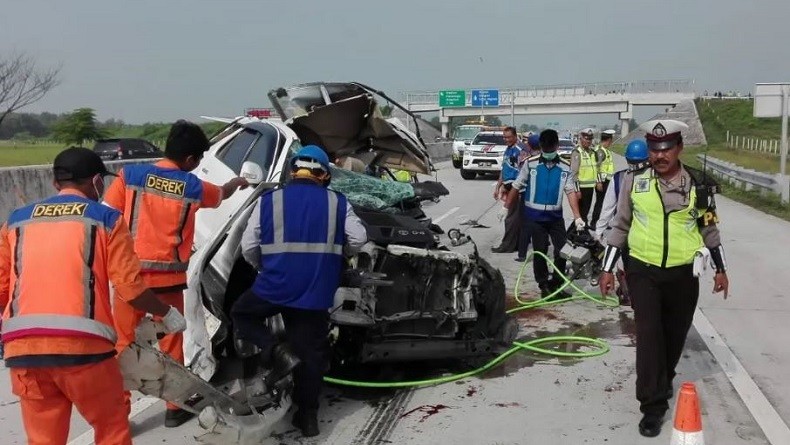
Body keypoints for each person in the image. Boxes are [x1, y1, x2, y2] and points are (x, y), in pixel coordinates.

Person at [0, 147, 185, 445]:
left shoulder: (16, 221)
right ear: (97, 181)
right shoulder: (107, 219)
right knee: (111, 431)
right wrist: (166, 312)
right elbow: (130, 290)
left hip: (24, 352)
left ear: (56, 182)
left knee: (44, 439)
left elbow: (2, 289)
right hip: (84, 349)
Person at [103, 120, 249, 427]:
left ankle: (117, 414)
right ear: (191, 160)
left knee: (124, 345)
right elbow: (219, 193)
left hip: (130, 280)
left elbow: (109, 216)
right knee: (170, 343)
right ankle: (174, 407)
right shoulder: (192, 186)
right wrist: (236, 184)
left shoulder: (130, 176)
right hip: (167, 282)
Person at [598, 120, 730, 437]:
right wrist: (606, 269)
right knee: (648, 335)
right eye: (655, 149)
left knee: (673, 336)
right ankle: (652, 406)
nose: (660, 156)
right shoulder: (634, 181)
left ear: (679, 149)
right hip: (642, 270)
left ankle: (664, 376)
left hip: (684, 274)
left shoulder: (699, 184)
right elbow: (620, 226)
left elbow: (709, 229)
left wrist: (721, 269)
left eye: (666, 149)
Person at [232, 145, 368, 437]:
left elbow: (248, 247)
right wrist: (339, 256)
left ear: (293, 172)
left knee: (242, 314)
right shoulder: (337, 202)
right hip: (316, 290)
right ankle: (308, 418)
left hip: (274, 285)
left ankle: (275, 350)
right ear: (324, 175)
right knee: (310, 354)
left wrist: (262, 268)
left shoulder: (269, 200)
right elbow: (359, 237)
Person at [506, 129, 584, 298]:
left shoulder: (565, 166)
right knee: (540, 251)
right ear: (541, 146)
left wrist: (577, 217)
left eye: (551, 149)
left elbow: (570, 192)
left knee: (562, 250)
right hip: (535, 218)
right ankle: (543, 285)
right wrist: (505, 207)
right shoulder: (530, 163)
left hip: (555, 218)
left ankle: (557, 283)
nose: (548, 152)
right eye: (545, 149)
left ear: (557, 146)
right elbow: (516, 185)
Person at [594, 139, 650, 305]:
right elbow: (607, 208)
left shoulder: (622, 178)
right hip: (626, 232)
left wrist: (600, 230)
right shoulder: (619, 179)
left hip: (642, 233)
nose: (635, 166)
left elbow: (607, 209)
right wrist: (599, 231)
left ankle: (632, 291)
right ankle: (628, 291)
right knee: (625, 264)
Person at [492, 126, 523, 253]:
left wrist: (514, 187)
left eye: (509, 137)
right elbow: (504, 170)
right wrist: (498, 186)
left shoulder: (520, 151)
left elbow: (522, 173)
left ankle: (507, 245)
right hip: (508, 187)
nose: (506, 139)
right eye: (504, 137)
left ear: (515, 136)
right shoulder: (508, 150)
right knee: (514, 219)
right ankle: (516, 244)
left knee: (510, 218)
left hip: (517, 189)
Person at [514, 133, 542, 262]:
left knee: (525, 225)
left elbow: (520, 180)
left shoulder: (527, 161)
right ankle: (541, 252)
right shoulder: (545, 160)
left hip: (527, 195)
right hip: (542, 196)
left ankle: (522, 254)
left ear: (529, 145)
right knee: (542, 224)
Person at [569, 128, 603, 226]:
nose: (588, 141)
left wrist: (599, 181)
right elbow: (574, 173)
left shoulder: (592, 152)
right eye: (586, 139)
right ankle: (580, 232)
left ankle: (575, 232)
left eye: (590, 139)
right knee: (581, 213)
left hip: (590, 187)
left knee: (585, 212)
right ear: (581, 139)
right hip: (581, 188)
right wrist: (577, 190)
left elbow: (597, 168)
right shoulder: (577, 152)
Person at [590, 129, 616, 229]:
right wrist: (599, 181)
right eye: (611, 140)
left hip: (607, 180)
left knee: (606, 203)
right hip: (602, 181)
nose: (612, 142)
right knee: (600, 203)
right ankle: (594, 223)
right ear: (609, 140)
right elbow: (597, 168)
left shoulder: (606, 150)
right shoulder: (600, 151)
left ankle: (602, 222)